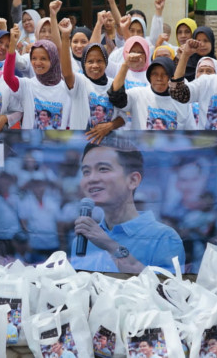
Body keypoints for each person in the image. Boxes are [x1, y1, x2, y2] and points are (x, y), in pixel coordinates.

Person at [69, 140, 185, 273]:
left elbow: (165, 290)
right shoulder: (83, 240)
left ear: (133, 180)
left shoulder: (164, 238)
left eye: (103, 169)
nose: (92, 179)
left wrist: (110, 245)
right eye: (86, 172)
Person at [57, 14, 125, 144]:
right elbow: (66, 72)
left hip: (108, 145)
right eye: (90, 61)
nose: (95, 65)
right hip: (80, 145)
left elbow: (123, 116)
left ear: (106, 63)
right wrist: (65, 37)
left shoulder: (114, 84)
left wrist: (110, 126)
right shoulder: (80, 82)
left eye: (99, 61)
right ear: (84, 64)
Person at [112, 56, 195, 131]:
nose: (159, 78)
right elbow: (116, 97)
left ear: (172, 77)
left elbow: (191, 134)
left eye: (165, 74)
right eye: (155, 74)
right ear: (149, 76)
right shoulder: (138, 95)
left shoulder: (182, 102)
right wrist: (125, 66)